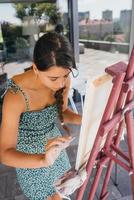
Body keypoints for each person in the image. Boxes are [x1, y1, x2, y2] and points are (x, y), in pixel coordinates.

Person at [0, 32, 82, 200]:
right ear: (36, 68)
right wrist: (42, 160)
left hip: (56, 150)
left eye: (65, 76)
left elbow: (62, 112)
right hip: (30, 160)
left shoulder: (63, 80)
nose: (61, 84)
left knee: (63, 192)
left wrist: (87, 120)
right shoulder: (16, 96)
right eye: (53, 78)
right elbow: (4, 153)